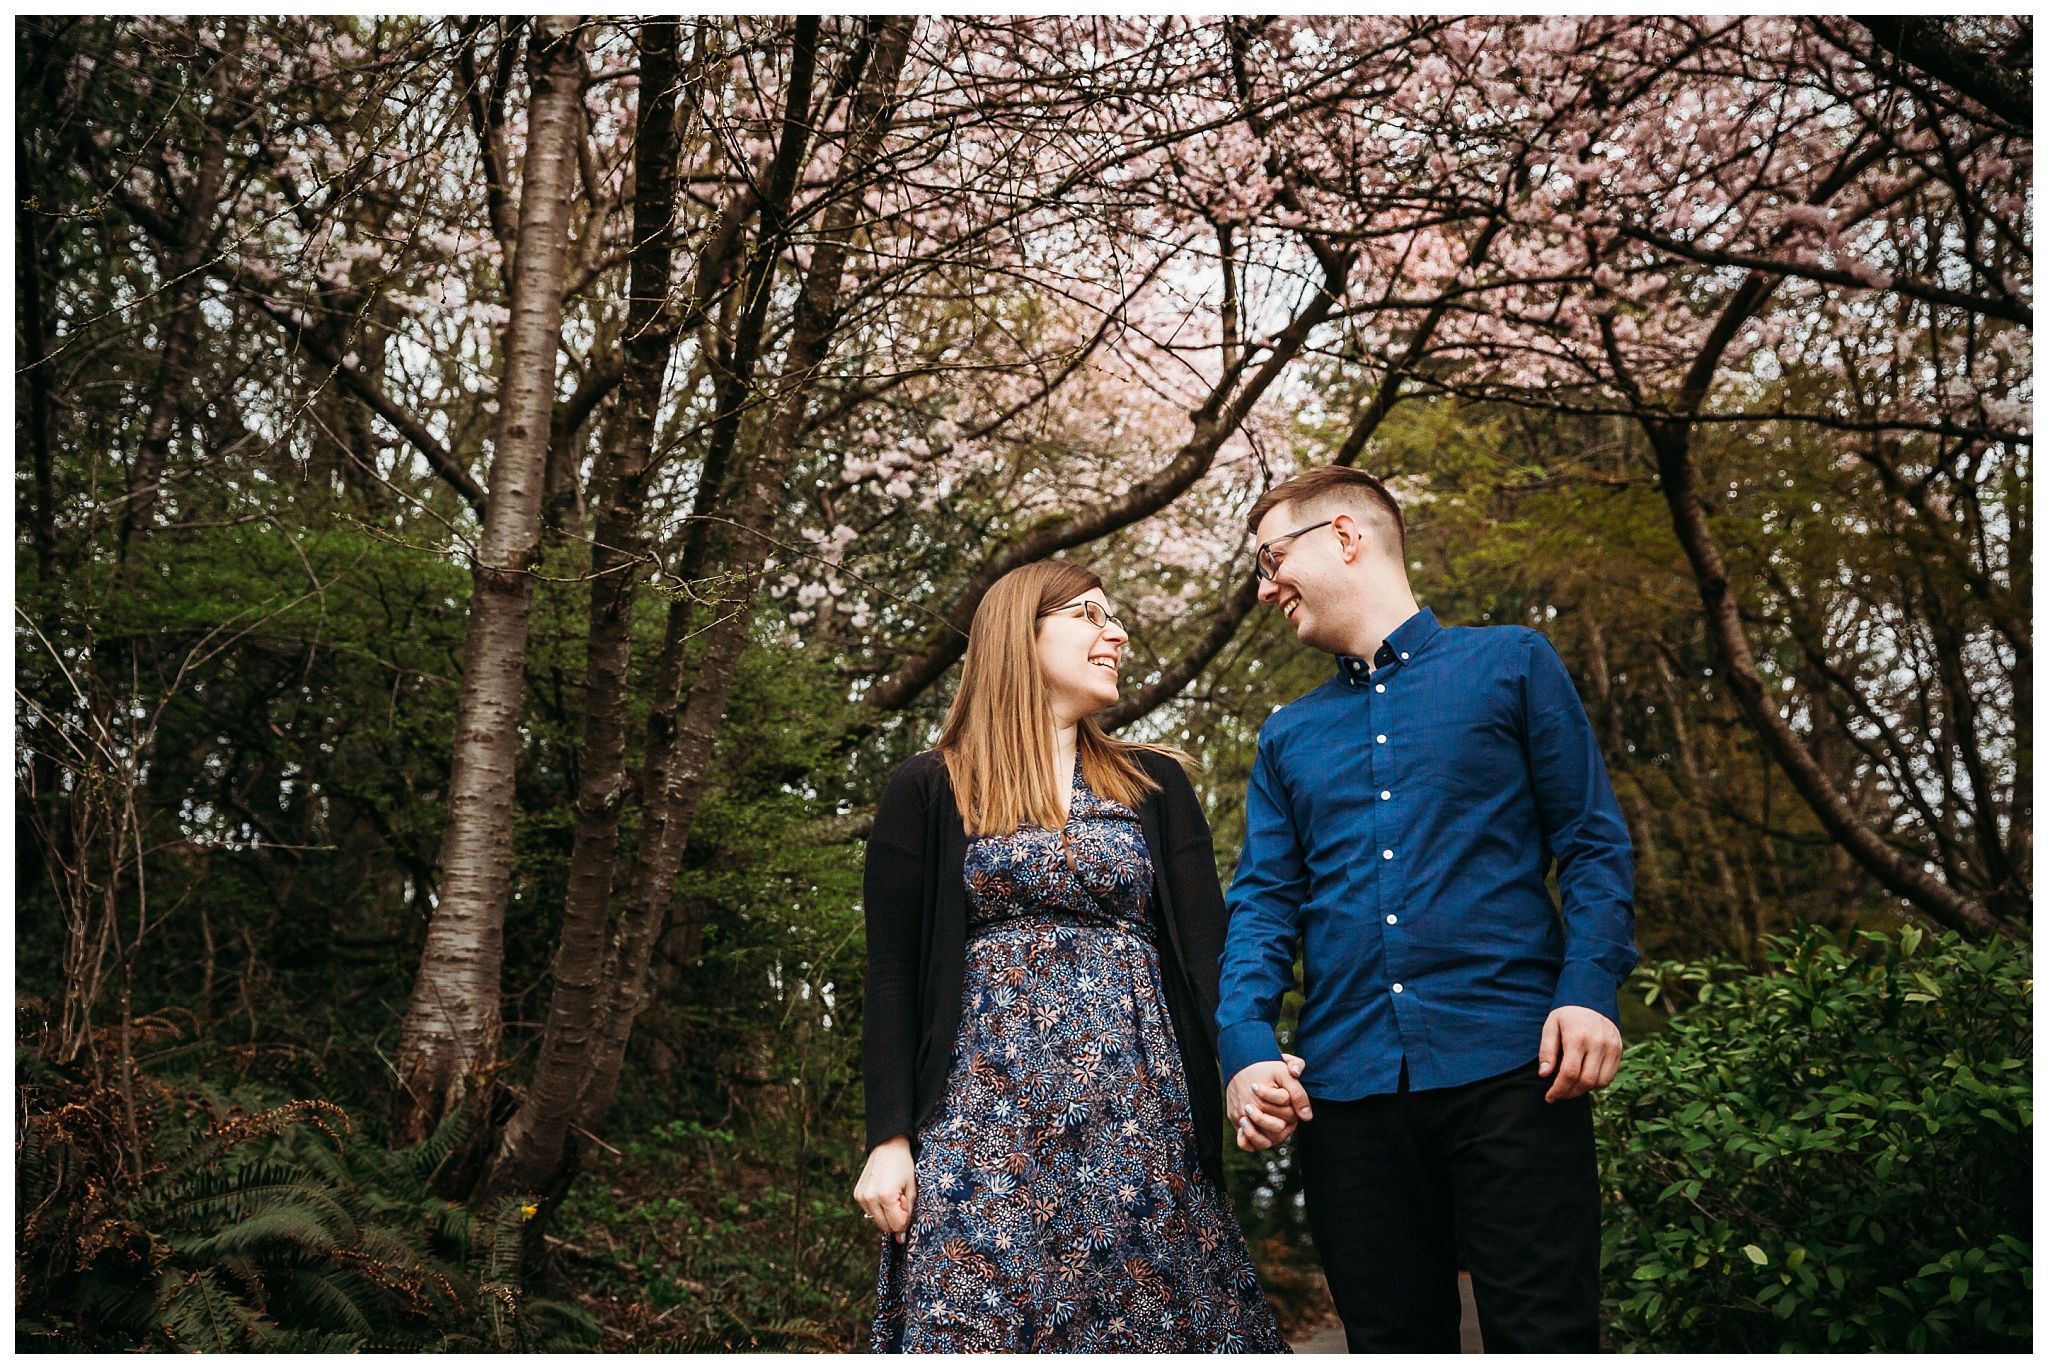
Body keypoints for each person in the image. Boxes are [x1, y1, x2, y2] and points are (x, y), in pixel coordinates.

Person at [1217, 465, 1638, 1353]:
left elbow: (1594, 844)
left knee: (1547, 1337)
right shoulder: (1287, 734)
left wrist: (1589, 988)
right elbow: (1261, 904)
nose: (1263, 587)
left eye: (1270, 556)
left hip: (1516, 1073)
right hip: (1345, 1098)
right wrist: (1246, 1049)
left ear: (1344, 535)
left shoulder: (1514, 662)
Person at [855, 560, 1289, 1353]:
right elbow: (890, 979)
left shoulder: (1154, 784)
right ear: (1021, 636)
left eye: (1113, 615)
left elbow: (1207, 952)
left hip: (1142, 1139)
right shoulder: (927, 789)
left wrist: (1243, 1063)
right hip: (979, 1142)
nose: (1115, 632)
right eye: (1089, 614)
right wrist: (888, 1138)